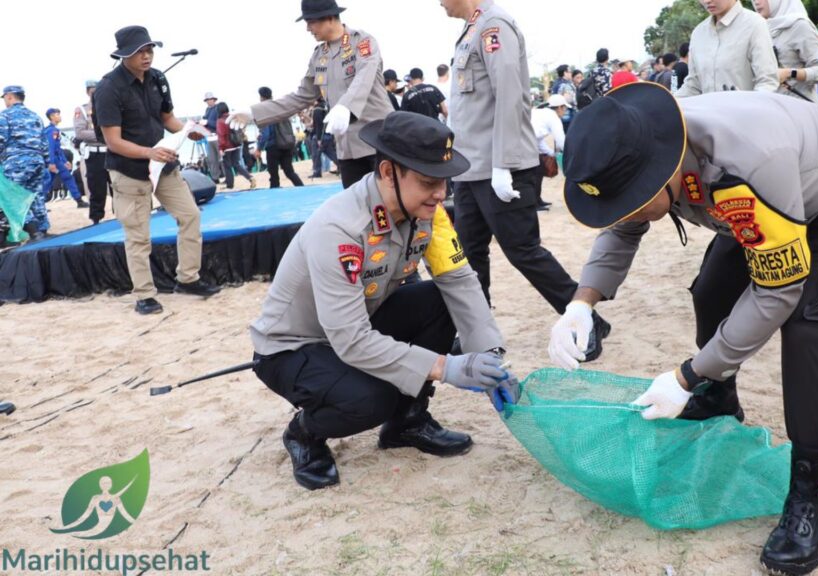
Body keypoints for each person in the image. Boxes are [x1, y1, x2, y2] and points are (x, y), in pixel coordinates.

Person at [549, 83, 818, 576]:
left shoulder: (742, 163)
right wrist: (581, 303)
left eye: (629, 201)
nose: (624, 214)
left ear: (660, 173)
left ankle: (811, 494)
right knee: (713, 290)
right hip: (776, 194)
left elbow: (777, 292)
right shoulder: (646, 151)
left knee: (810, 328)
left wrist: (688, 375)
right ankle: (721, 397)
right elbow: (623, 227)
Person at [250, 112, 520, 490]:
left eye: (444, 181)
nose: (441, 193)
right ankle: (304, 433)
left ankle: (406, 421)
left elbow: (458, 280)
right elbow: (350, 339)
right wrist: (447, 367)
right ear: (389, 172)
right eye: (429, 182)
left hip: (358, 322)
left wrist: (489, 357)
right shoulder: (340, 229)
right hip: (293, 346)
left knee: (440, 300)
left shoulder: (426, 211)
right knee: (371, 400)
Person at [441, 0, 611, 360]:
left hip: (498, 165)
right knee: (470, 255)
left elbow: (509, 95)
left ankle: (586, 319)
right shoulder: (470, 30)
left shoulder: (494, 26)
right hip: (470, 167)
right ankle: (479, 334)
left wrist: (503, 163)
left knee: (523, 251)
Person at [93, 25, 221, 315]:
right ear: (123, 55)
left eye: (150, 49)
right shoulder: (108, 89)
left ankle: (188, 279)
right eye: (139, 51)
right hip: (128, 169)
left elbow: (167, 118)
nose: (147, 55)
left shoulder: (158, 79)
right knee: (138, 234)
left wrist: (189, 131)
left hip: (164, 165)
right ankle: (145, 295)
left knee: (190, 216)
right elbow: (113, 141)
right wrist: (148, 152)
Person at [228, 0, 393, 188]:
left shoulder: (362, 41)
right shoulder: (319, 57)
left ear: (329, 17)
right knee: (357, 204)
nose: (308, 29)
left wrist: (345, 107)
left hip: (379, 144)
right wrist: (254, 112)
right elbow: (300, 97)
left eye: (311, 22)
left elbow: (364, 76)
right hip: (347, 150)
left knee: (392, 201)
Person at [676, 0, 779, 96]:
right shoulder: (698, 33)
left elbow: (767, 82)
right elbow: (693, 85)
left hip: (745, 109)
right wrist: (671, 102)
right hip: (706, 110)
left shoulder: (754, 25)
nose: (706, 1)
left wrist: (748, 105)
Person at [753, 0, 818, 103]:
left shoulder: (800, 26)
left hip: (798, 106)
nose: (756, 2)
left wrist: (790, 73)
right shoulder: (761, 28)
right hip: (771, 105)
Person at [0, 85, 49, 240]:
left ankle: (33, 231)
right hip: (37, 161)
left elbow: (1, 140)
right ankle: (43, 229)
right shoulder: (35, 116)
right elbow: (44, 143)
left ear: (9, 96)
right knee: (36, 196)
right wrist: (46, 161)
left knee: (13, 197)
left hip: (16, 162)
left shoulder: (5, 116)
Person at [74, 80, 111, 225]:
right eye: (93, 91)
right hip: (95, 153)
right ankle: (96, 219)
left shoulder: (112, 106)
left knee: (119, 186)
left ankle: (122, 216)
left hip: (114, 150)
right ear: (87, 92)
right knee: (96, 188)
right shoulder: (82, 110)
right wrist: (106, 135)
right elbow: (80, 133)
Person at [255, 87, 305, 189]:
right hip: (286, 144)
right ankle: (302, 188)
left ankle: (275, 194)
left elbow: (266, 134)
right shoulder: (279, 107)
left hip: (273, 147)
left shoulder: (265, 110)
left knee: (274, 175)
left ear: (261, 97)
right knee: (289, 172)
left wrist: (259, 148)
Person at [41, 108, 88, 209]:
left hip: (55, 159)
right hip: (53, 159)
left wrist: (65, 161)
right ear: (52, 117)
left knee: (48, 181)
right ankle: (79, 200)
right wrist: (51, 163)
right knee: (63, 179)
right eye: (57, 114)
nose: (60, 116)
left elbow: (58, 149)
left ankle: (39, 205)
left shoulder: (53, 130)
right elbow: (51, 148)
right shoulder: (52, 130)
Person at [530, 94, 567, 211]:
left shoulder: (541, 112)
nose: (565, 111)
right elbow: (561, 141)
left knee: (538, 172)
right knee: (536, 173)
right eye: (565, 108)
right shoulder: (553, 117)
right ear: (560, 107)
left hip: (528, 142)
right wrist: (569, 153)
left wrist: (552, 153)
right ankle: (534, 203)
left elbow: (538, 140)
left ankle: (537, 200)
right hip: (526, 144)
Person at [216, 102, 256, 190]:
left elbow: (221, 135)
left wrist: (221, 148)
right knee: (236, 164)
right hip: (237, 144)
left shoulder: (220, 121)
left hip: (227, 147)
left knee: (227, 166)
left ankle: (230, 185)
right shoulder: (233, 117)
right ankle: (250, 177)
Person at [200, 92, 222, 183]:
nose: (208, 101)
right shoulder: (207, 110)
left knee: (221, 158)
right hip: (209, 137)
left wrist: (207, 122)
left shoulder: (218, 109)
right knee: (211, 159)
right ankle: (215, 178)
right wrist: (202, 123)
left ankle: (227, 177)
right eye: (207, 100)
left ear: (214, 99)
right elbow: (206, 121)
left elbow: (218, 124)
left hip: (217, 136)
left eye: (210, 99)